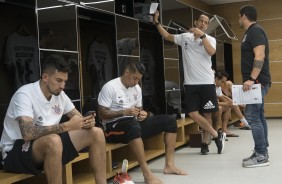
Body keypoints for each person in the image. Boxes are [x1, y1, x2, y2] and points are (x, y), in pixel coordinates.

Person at [0, 54, 107, 184]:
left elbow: (78, 118)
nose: (62, 86)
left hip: (48, 145)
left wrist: (87, 122)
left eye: (65, 81)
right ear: (45, 77)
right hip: (15, 151)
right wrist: (66, 126)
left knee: (96, 133)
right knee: (54, 140)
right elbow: (27, 134)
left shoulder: (60, 94)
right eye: (58, 80)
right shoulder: (24, 94)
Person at [98, 61, 187, 184]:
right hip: (112, 128)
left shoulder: (137, 88)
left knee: (170, 121)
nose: (136, 82)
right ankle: (147, 173)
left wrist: (143, 114)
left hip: (133, 124)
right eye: (134, 78)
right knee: (133, 125)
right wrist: (124, 112)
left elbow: (139, 110)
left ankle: (169, 165)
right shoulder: (110, 87)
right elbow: (102, 113)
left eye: (139, 79)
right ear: (126, 72)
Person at [153, 11, 226, 155]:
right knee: (193, 113)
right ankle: (217, 135)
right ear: (195, 22)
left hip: (206, 83)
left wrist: (202, 36)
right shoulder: (185, 38)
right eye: (201, 21)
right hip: (190, 84)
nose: (203, 24)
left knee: (207, 115)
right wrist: (156, 22)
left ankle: (205, 143)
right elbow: (167, 36)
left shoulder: (210, 39)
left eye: (206, 23)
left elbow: (211, 52)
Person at [239, 5, 271, 168]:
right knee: (259, 115)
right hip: (258, 81)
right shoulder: (251, 32)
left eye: (239, 16)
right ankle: (262, 150)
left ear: (244, 16)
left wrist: (252, 78)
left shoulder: (255, 30)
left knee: (251, 116)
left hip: (257, 81)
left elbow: (260, 55)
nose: (239, 19)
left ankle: (261, 155)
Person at [214, 72, 234, 137]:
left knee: (228, 107)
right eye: (222, 81)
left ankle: (224, 129)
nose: (223, 84)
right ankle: (216, 131)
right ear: (216, 79)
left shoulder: (218, 87)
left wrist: (229, 103)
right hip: (206, 107)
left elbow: (221, 97)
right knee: (219, 108)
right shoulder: (211, 87)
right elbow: (213, 103)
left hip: (214, 106)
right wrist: (226, 103)